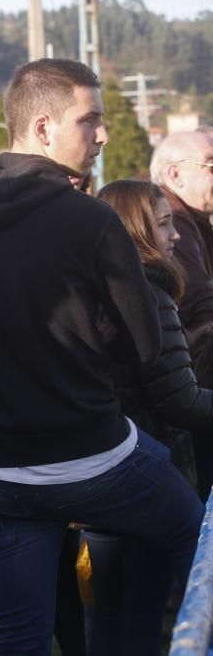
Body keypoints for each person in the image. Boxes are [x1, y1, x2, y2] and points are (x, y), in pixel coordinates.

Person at [0, 58, 203, 655]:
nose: (103, 135)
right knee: (190, 527)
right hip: (88, 458)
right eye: (90, 121)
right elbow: (145, 347)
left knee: (21, 636)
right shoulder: (89, 219)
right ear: (42, 128)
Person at [84, 179, 212, 654]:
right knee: (144, 605)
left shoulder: (95, 289)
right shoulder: (150, 292)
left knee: (106, 609)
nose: (175, 234)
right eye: (162, 224)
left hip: (105, 464)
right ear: (136, 230)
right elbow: (178, 397)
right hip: (151, 463)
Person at [150, 130, 213, 499]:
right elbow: (203, 305)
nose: (168, 236)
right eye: (211, 165)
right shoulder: (177, 220)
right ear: (176, 175)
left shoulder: (190, 220)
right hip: (189, 394)